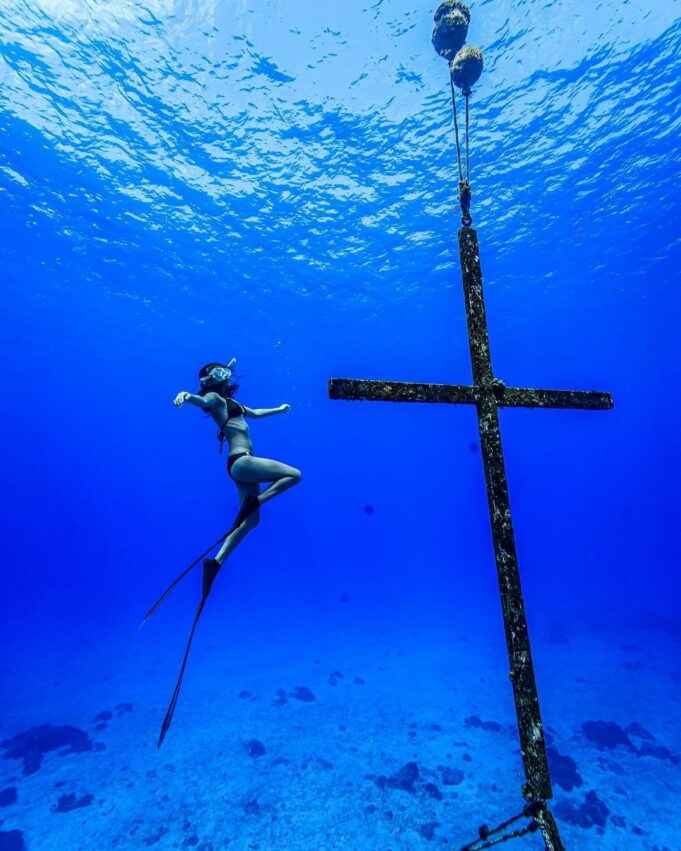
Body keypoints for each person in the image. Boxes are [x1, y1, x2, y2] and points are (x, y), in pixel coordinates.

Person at [173, 358, 301, 582]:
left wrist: (279, 410)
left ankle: (216, 563)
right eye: (217, 372)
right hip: (241, 460)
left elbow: (256, 413)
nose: (223, 373)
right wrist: (186, 394)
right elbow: (200, 399)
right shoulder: (214, 398)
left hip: (240, 466)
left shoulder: (232, 402)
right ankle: (258, 500)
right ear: (207, 379)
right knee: (293, 474)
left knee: (250, 521)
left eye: (223, 371)